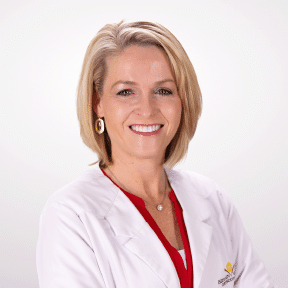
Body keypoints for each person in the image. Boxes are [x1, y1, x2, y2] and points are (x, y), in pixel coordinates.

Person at [36, 20, 277, 288]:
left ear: (183, 101)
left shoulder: (214, 200)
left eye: (163, 91)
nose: (147, 109)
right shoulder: (71, 215)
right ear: (98, 103)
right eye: (126, 92)